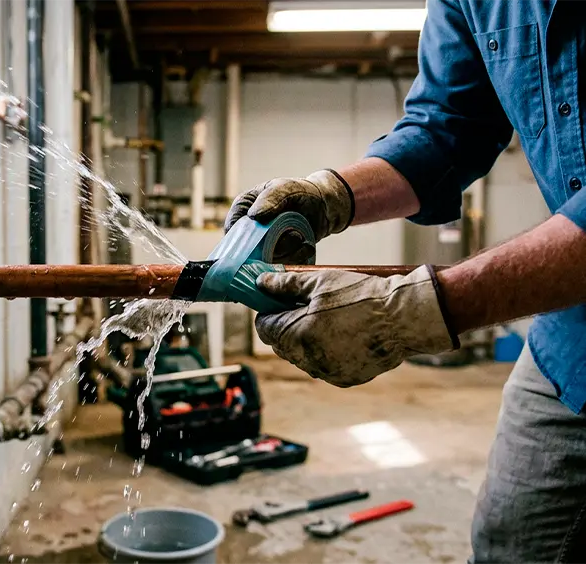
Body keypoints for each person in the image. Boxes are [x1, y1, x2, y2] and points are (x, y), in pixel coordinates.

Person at [225, 2, 586, 562]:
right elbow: (445, 128)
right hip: (573, 348)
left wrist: (412, 312)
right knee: (509, 546)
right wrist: (330, 195)